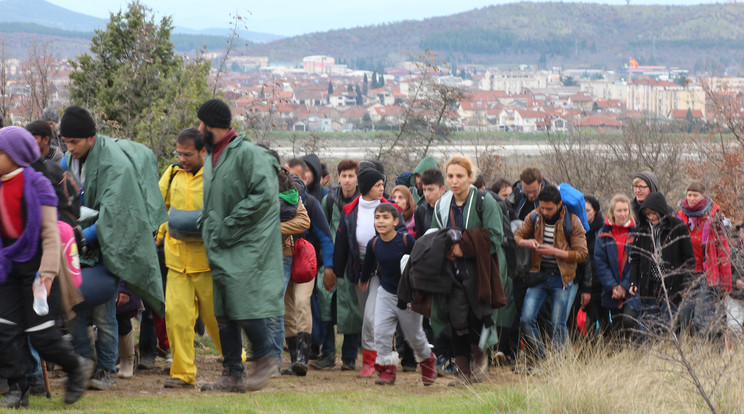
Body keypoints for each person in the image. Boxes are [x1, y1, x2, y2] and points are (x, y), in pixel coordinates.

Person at [60, 106, 167, 391]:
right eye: (66, 142)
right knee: (76, 308)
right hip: (77, 245)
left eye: (74, 142)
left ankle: (106, 369)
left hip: (106, 246)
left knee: (105, 314)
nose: (69, 148)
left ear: (91, 138)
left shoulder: (114, 165)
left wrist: (83, 235)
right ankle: (84, 365)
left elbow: (117, 214)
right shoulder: (67, 160)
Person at [0, 127, 93, 408]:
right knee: (5, 330)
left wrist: (48, 272)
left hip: (36, 266)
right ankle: (18, 389)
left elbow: (51, 234)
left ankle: (76, 366)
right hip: (7, 267)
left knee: (41, 334)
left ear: (15, 155)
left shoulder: (37, 185)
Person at [196, 99, 283, 392]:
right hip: (220, 243)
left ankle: (266, 355)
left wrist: (228, 223)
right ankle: (232, 373)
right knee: (222, 308)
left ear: (211, 125)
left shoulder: (248, 154)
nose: (198, 128)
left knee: (241, 300)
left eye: (200, 123)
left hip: (247, 241)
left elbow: (264, 196)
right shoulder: (211, 155)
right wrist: (207, 224)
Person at [156, 128, 226, 388]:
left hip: (207, 263)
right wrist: (162, 229)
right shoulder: (172, 174)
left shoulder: (214, 176)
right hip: (176, 261)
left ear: (203, 151)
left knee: (216, 319)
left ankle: (234, 361)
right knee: (176, 317)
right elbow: (158, 206)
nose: (182, 159)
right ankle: (182, 373)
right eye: (179, 153)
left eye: (188, 154)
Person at [430, 156, 508, 386]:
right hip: (452, 271)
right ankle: (463, 371)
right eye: (451, 176)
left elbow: (495, 237)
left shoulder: (485, 201)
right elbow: (435, 235)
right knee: (456, 320)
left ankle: (480, 360)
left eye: (460, 176)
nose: (455, 181)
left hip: (480, 271)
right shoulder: (443, 204)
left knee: (477, 318)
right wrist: (446, 249)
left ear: (470, 177)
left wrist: (462, 247)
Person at [327, 167, 405, 377]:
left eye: (382, 185)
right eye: (378, 185)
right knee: (367, 317)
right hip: (358, 270)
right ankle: (377, 357)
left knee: (372, 317)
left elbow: (403, 236)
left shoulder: (390, 207)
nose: (382, 189)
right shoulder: (350, 210)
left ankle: (372, 361)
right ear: (367, 186)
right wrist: (336, 270)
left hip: (383, 269)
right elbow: (342, 241)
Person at [360, 203, 436, 385]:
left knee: (414, 336)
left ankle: (428, 361)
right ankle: (387, 371)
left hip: (407, 296)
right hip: (385, 294)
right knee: (381, 332)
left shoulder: (406, 240)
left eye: (385, 217)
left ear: (395, 221)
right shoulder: (374, 243)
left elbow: (419, 261)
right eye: (377, 217)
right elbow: (368, 266)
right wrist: (363, 280)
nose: (380, 221)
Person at [514, 185, 588, 363]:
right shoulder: (535, 216)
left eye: (549, 208)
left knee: (557, 325)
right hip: (538, 276)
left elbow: (582, 254)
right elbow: (517, 235)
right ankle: (542, 359)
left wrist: (555, 252)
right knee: (526, 320)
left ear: (560, 204)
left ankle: (560, 365)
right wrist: (527, 243)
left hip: (562, 278)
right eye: (542, 207)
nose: (545, 211)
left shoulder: (572, 221)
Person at [315, 160, 361, 371]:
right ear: (338, 177)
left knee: (352, 310)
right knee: (326, 307)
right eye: (344, 176)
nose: (347, 180)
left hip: (353, 264)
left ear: (357, 178)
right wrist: (326, 263)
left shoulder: (363, 200)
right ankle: (328, 354)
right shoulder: (329, 200)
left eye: (351, 176)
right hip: (330, 261)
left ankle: (350, 357)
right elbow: (323, 231)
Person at [628, 192, 694, 336]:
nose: (651, 217)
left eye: (653, 213)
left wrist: (686, 284)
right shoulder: (643, 229)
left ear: (661, 211)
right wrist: (633, 281)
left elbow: (689, 259)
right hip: (649, 284)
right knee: (651, 325)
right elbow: (635, 257)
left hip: (672, 285)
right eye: (647, 214)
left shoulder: (678, 227)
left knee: (669, 325)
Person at [411, 168, 456, 375]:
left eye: (431, 189)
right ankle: (440, 356)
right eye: (424, 189)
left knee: (452, 314)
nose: (427, 194)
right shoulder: (421, 211)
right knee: (433, 315)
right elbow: (422, 239)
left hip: (451, 268)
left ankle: (454, 357)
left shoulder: (449, 208)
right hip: (431, 268)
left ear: (442, 189)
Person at [676, 180, 731, 337]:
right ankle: (690, 349)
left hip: (708, 274)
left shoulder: (713, 218)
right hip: (689, 273)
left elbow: (723, 252)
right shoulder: (680, 217)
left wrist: (725, 283)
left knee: (701, 314)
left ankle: (707, 350)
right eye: (689, 195)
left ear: (703, 196)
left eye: (695, 195)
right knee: (685, 316)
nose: (691, 198)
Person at [272, 167, 310, 376]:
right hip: (256, 255)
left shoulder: (289, 194)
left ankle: (275, 361)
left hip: (282, 253)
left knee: (275, 308)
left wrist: (274, 227)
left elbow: (305, 221)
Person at [593, 194, 636, 338]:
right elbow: (600, 262)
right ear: (612, 212)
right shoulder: (603, 234)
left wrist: (624, 286)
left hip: (631, 288)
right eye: (619, 210)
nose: (623, 214)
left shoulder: (636, 233)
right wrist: (613, 286)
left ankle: (634, 353)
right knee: (616, 327)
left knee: (629, 321)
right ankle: (620, 357)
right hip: (611, 290)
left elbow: (637, 262)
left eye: (625, 210)